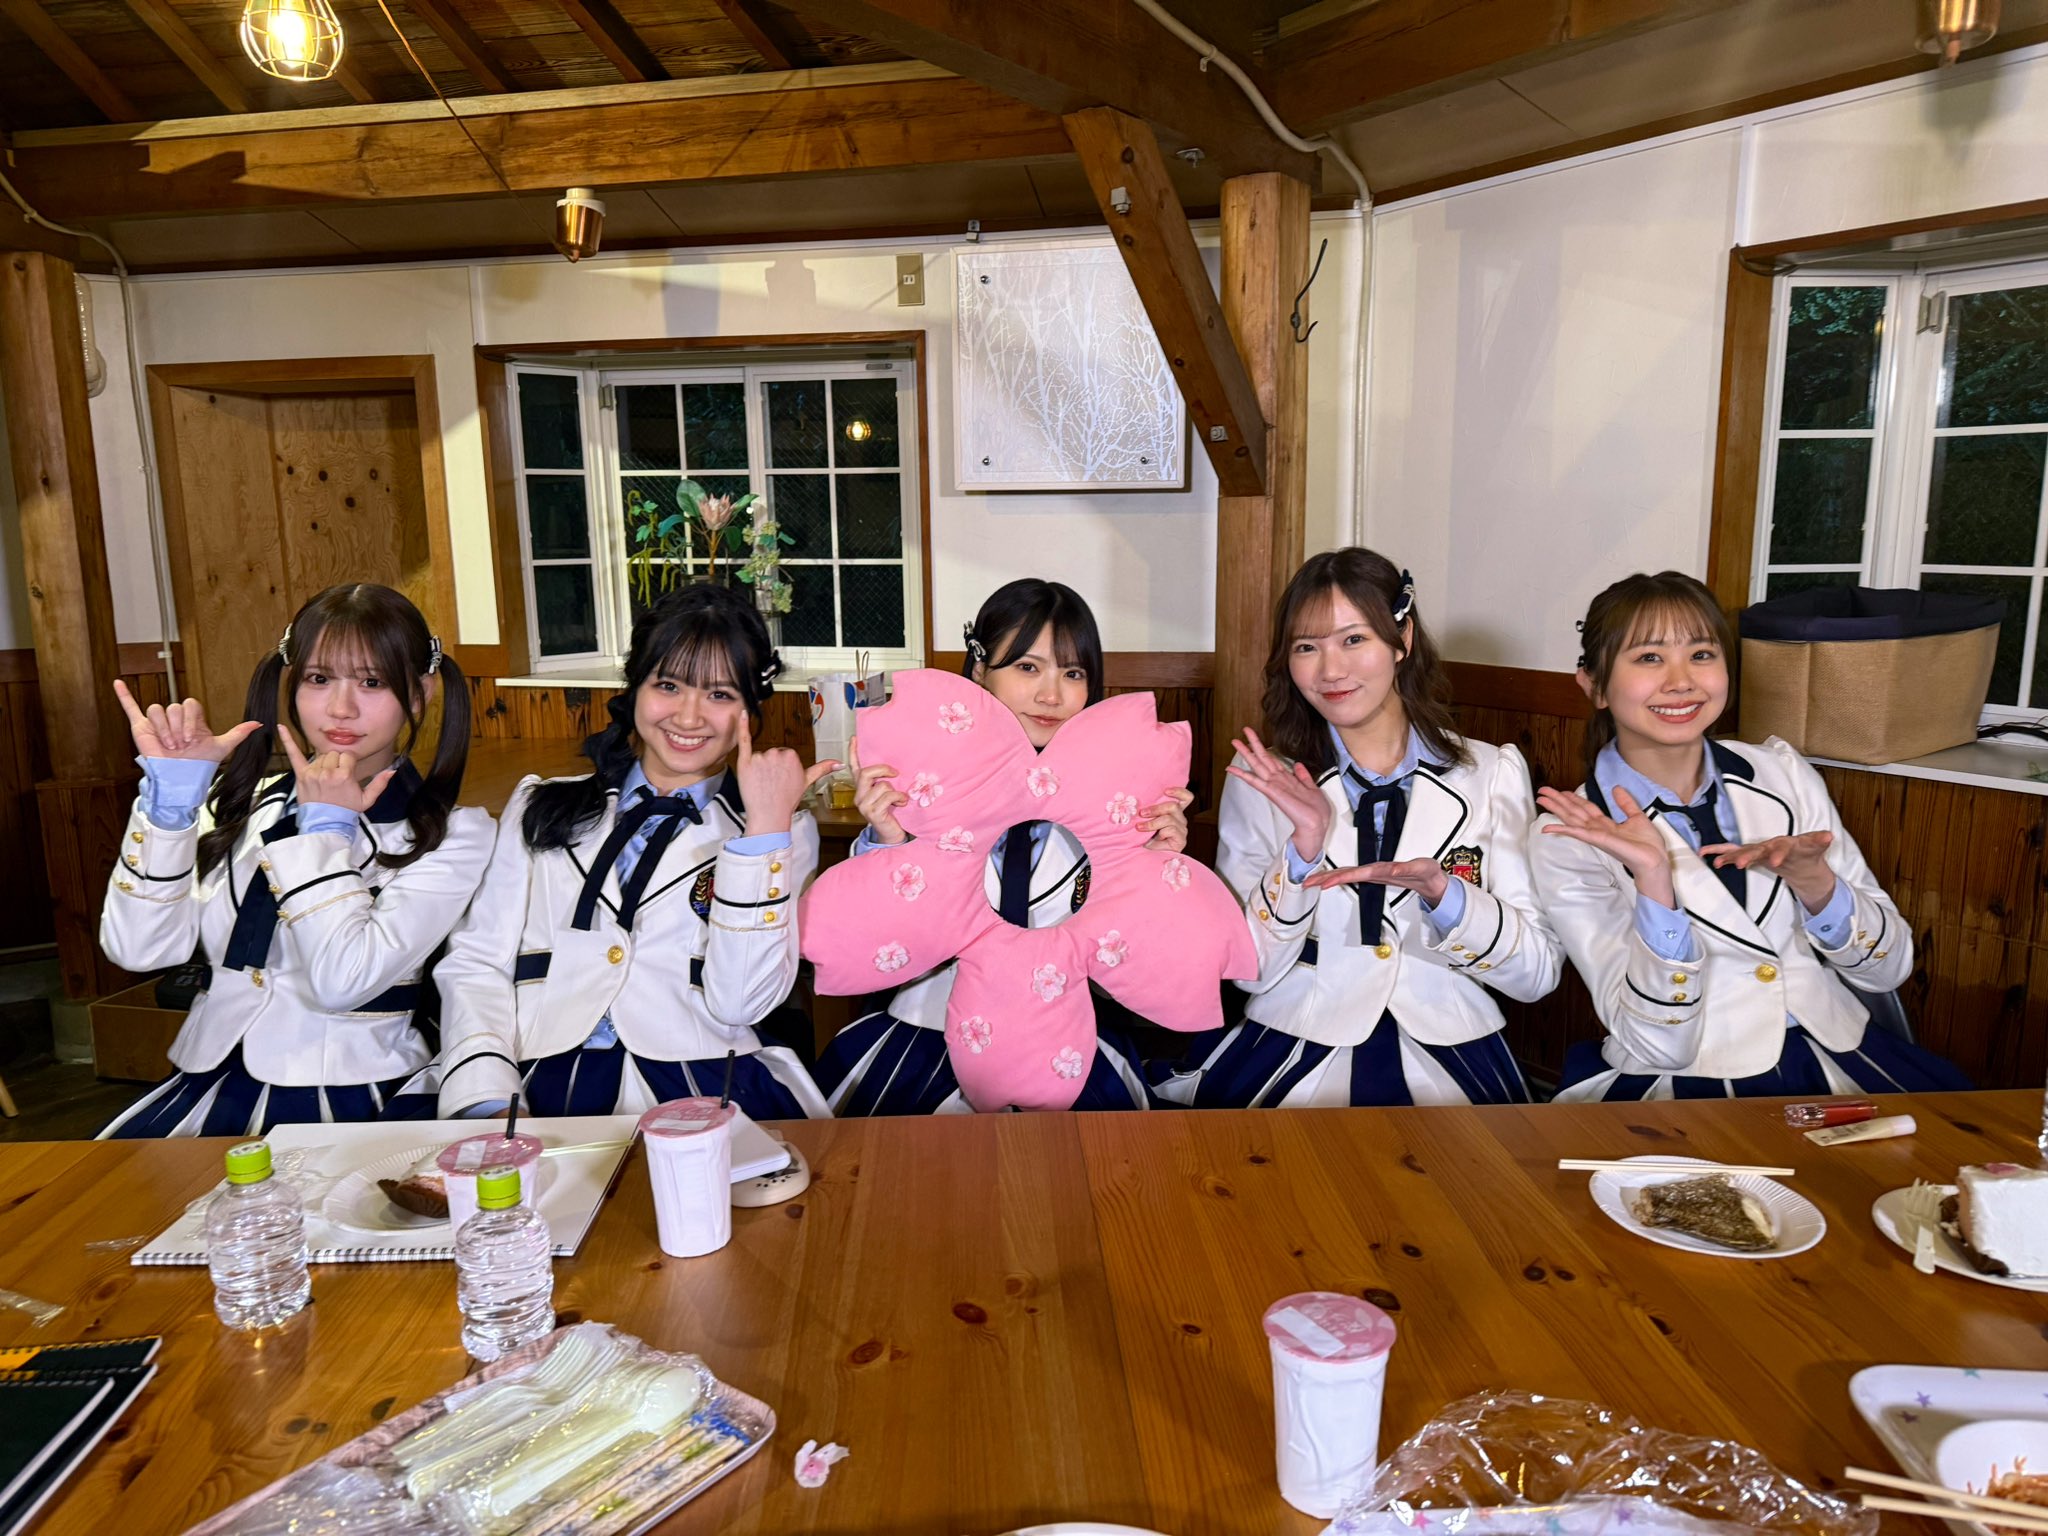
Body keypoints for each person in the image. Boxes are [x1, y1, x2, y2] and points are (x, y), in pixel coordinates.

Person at [1531, 570, 1971, 1099]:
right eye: (1649, 657)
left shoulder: (1782, 773)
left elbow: (1888, 971)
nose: (1681, 681)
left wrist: (1816, 883)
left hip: (1844, 1055)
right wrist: (1654, 882)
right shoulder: (1568, 835)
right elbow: (1655, 1045)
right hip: (1687, 1081)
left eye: (1701, 654)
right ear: (1595, 685)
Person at [1164, 548, 1560, 1107]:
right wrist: (1301, 853)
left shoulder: (1492, 773)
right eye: (1307, 647)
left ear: (1403, 639)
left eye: (1354, 639)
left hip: (1457, 1046)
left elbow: (1536, 975)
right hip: (1292, 1045)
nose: (1331, 671)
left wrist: (1447, 897)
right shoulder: (1263, 777)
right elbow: (1249, 972)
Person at [426, 582, 835, 1120]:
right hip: (532, 1078)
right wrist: (486, 1091)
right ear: (634, 687)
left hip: (706, 1079)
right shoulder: (538, 804)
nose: (688, 717)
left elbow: (743, 1002)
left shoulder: (780, 831)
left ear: (749, 710)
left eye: (719, 695)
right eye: (668, 685)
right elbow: (476, 963)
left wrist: (762, 835)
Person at [99, 583, 488, 1137]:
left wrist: (325, 833)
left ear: (420, 693)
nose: (340, 708)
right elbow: (139, 952)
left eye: (372, 682)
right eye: (319, 678)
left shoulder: (453, 834)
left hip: (356, 1096)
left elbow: (344, 981)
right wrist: (170, 809)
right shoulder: (237, 805)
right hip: (205, 1081)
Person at [814, 578, 1192, 1114]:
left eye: (1073, 673)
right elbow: (871, 946)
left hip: (1063, 1042)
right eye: (1027, 667)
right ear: (978, 670)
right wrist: (889, 840)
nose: (1051, 695)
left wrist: (1153, 867)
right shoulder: (917, 789)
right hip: (925, 1036)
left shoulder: (1117, 812)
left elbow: (1127, 976)